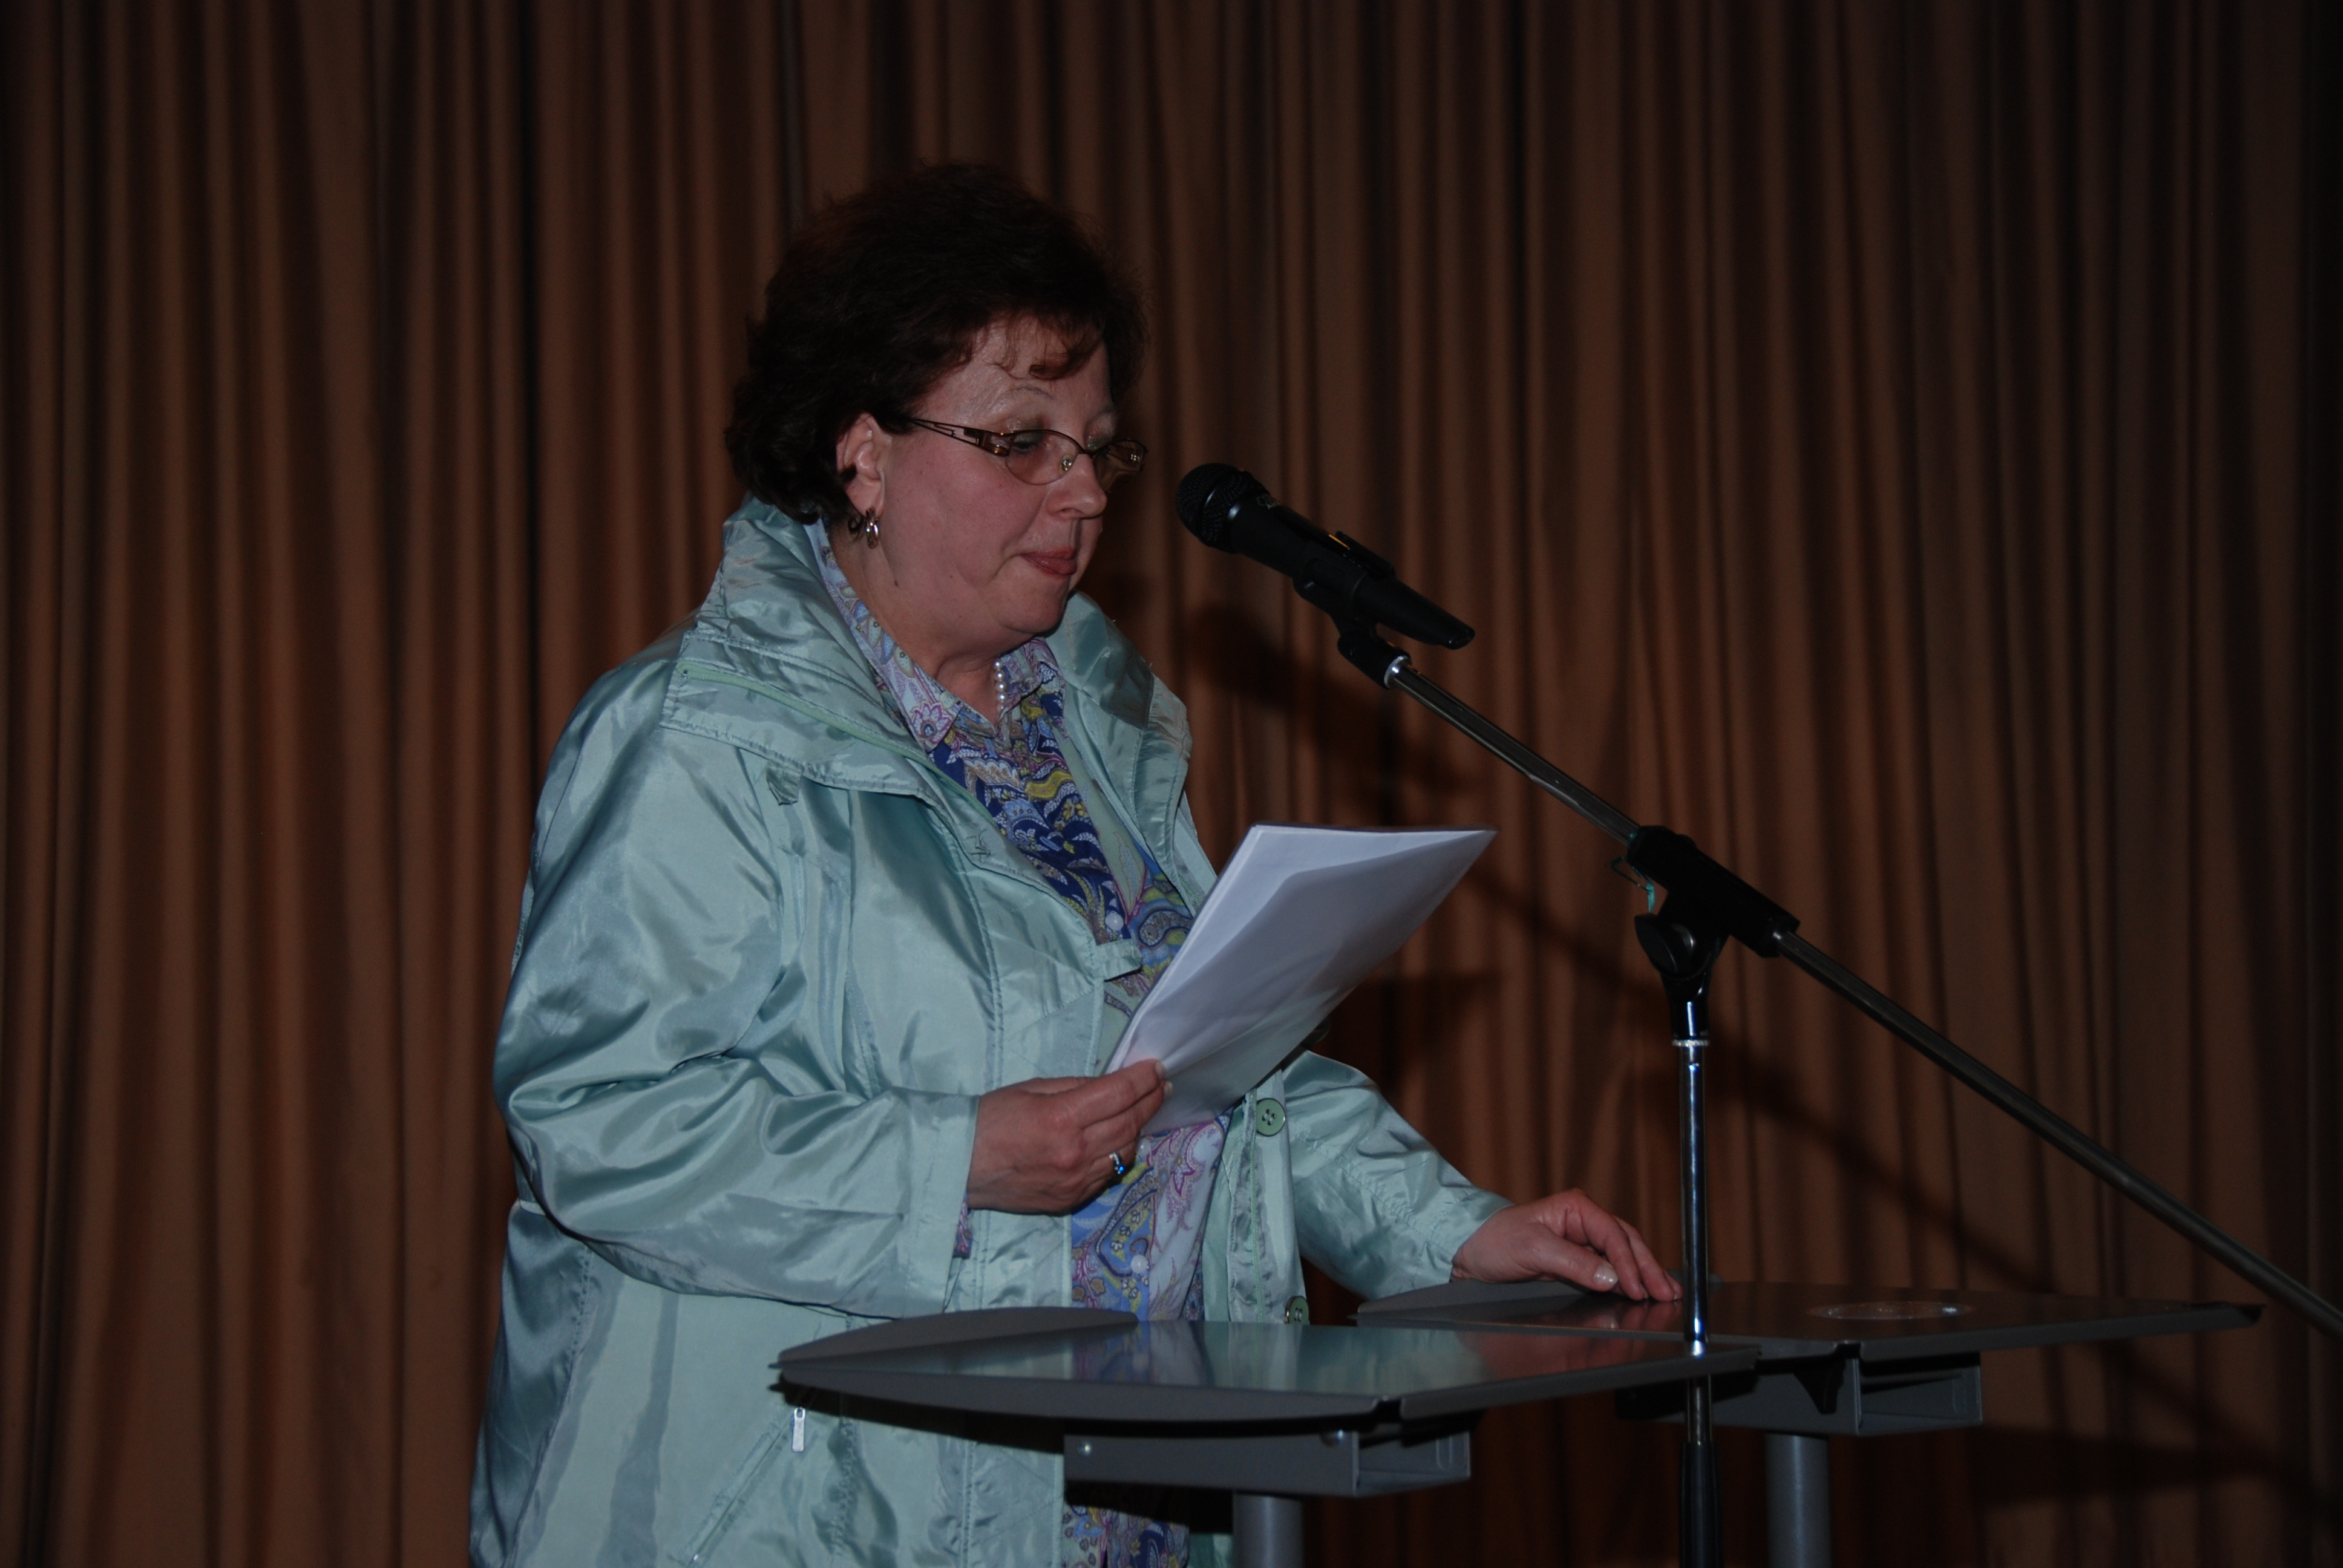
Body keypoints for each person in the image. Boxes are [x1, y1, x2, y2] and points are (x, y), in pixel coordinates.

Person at [470, 163, 1679, 1568]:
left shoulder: (1096, 734)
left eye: (1097, 448)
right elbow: (598, 1125)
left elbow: (1211, 1072)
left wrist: (1453, 1235)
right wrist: (956, 1162)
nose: (1083, 493)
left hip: (1121, 1500)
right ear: (863, 456)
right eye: (1019, 443)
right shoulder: (701, 738)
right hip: (801, 1517)